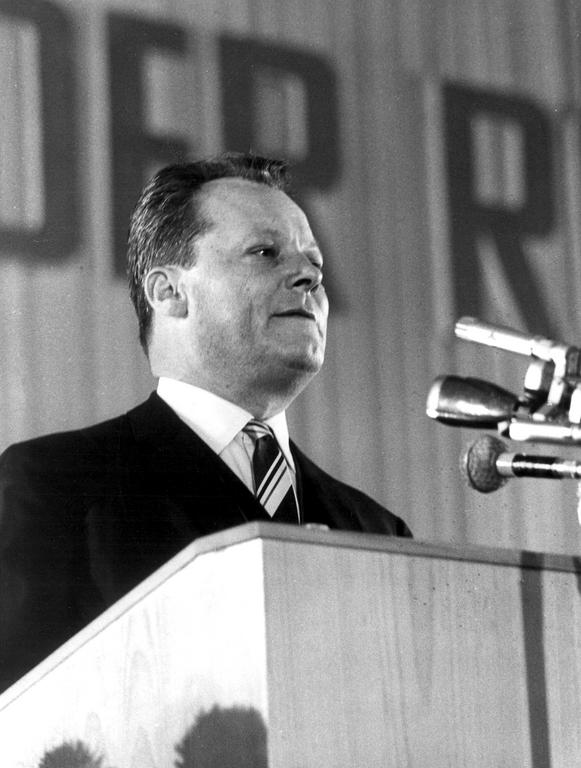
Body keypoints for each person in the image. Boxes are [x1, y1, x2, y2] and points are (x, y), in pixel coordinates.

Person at [0, 153, 410, 694]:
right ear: (168, 292)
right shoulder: (56, 486)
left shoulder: (378, 532)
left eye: (315, 263)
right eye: (265, 253)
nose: (309, 275)